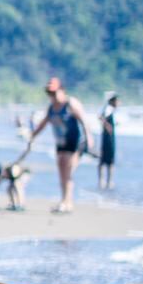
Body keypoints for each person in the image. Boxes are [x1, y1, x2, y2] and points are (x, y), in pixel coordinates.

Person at [25, 77, 90, 213]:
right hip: (61, 143)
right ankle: (66, 202)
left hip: (75, 142)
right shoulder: (51, 109)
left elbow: (84, 120)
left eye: (54, 93)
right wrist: (32, 136)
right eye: (49, 93)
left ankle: (66, 203)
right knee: (62, 172)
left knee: (67, 171)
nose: (52, 96)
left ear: (62, 90)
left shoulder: (70, 104)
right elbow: (42, 124)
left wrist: (89, 137)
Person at [98, 93, 118, 190]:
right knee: (108, 160)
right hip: (108, 139)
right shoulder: (109, 108)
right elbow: (100, 117)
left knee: (105, 160)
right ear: (112, 101)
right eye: (117, 101)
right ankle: (107, 181)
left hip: (108, 138)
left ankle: (105, 181)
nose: (118, 103)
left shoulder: (110, 109)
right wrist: (107, 125)